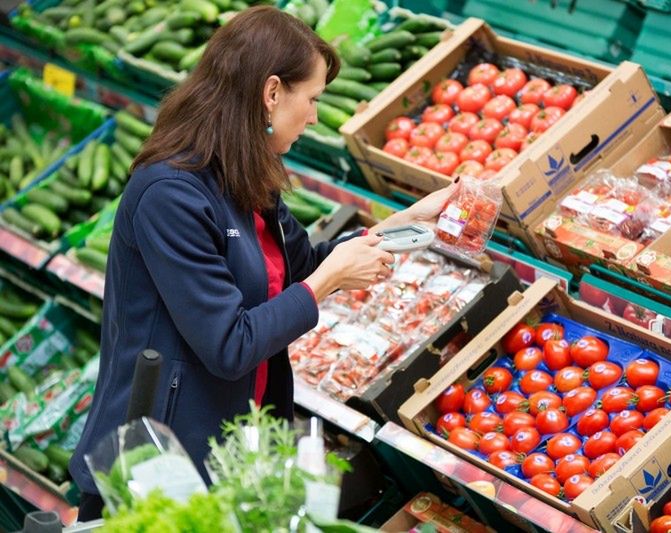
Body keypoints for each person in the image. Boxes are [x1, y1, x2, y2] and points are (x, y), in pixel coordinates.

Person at [69, 5, 457, 521]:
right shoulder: (170, 195)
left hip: (231, 442)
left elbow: (305, 264)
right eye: (313, 99)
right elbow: (229, 345)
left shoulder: (245, 177)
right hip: (159, 458)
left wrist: (415, 222)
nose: (316, 116)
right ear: (272, 92)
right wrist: (328, 282)